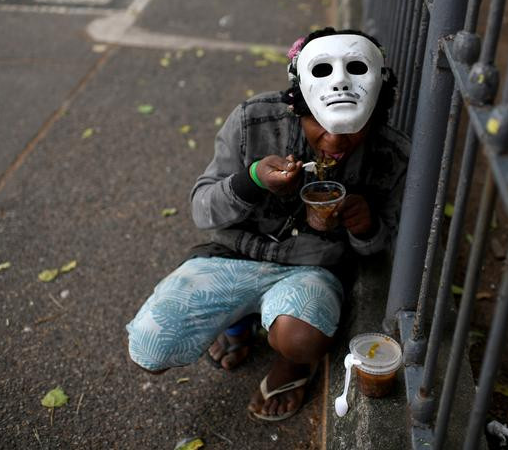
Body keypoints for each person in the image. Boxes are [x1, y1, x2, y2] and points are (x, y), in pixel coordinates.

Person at [126, 27, 410, 421]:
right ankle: (238, 316)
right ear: (297, 107)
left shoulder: (391, 155)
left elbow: (379, 248)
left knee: (298, 337)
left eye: (352, 130)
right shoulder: (252, 122)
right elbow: (202, 210)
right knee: (150, 349)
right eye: (319, 125)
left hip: (312, 269)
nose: (334, 142)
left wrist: (364, 227)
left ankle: (295, 364)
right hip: (231, 256)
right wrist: (252, 180)